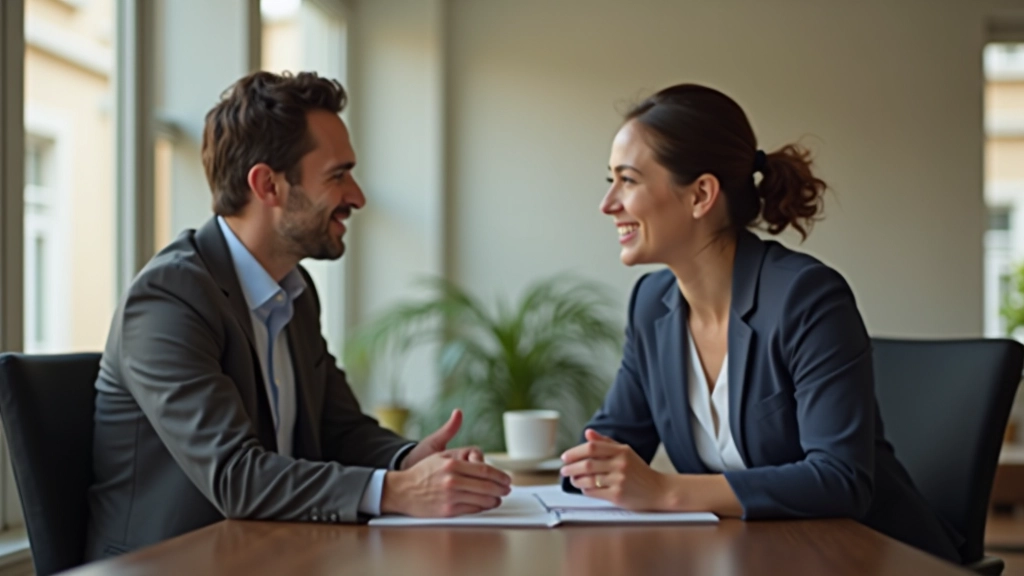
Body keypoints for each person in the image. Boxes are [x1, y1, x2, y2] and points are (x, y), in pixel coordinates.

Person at [85, 71, 511, 560]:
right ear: (267, 184)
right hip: (169, 565)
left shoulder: (295, 290)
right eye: (338, 175)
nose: (357, 196)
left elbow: (339, 429)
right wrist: (399, 491)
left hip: (270, 554)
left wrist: (409, 459)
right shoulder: (169, 298)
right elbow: (234, 476)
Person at [558, 83, 962, 562]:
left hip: (869, 557)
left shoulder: (805, 298)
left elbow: (840, 479)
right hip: (756, 557)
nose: (608, 204)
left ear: (701, 195)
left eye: (628, 180)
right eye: (610, 180)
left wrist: (668, 491)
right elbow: (608, 447)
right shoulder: (652, 304)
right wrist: (537, 475)